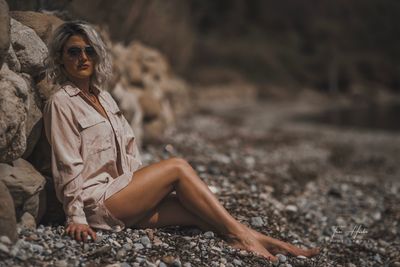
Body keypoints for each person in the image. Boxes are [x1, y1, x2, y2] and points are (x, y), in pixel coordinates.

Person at [43, 21, 319, 262]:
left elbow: (128, 148)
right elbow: (67, 164)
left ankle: (264, 240)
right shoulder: (61, 103)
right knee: (177, 167)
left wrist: (145, 188)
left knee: (198, 209)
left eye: (89, 50)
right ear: (61, 58)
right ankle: (245, 240)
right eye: (74, 51)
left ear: (97, 55)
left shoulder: (103, 97)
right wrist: (76, 217)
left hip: (124, 195)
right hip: (98, 205)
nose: (83, 57)